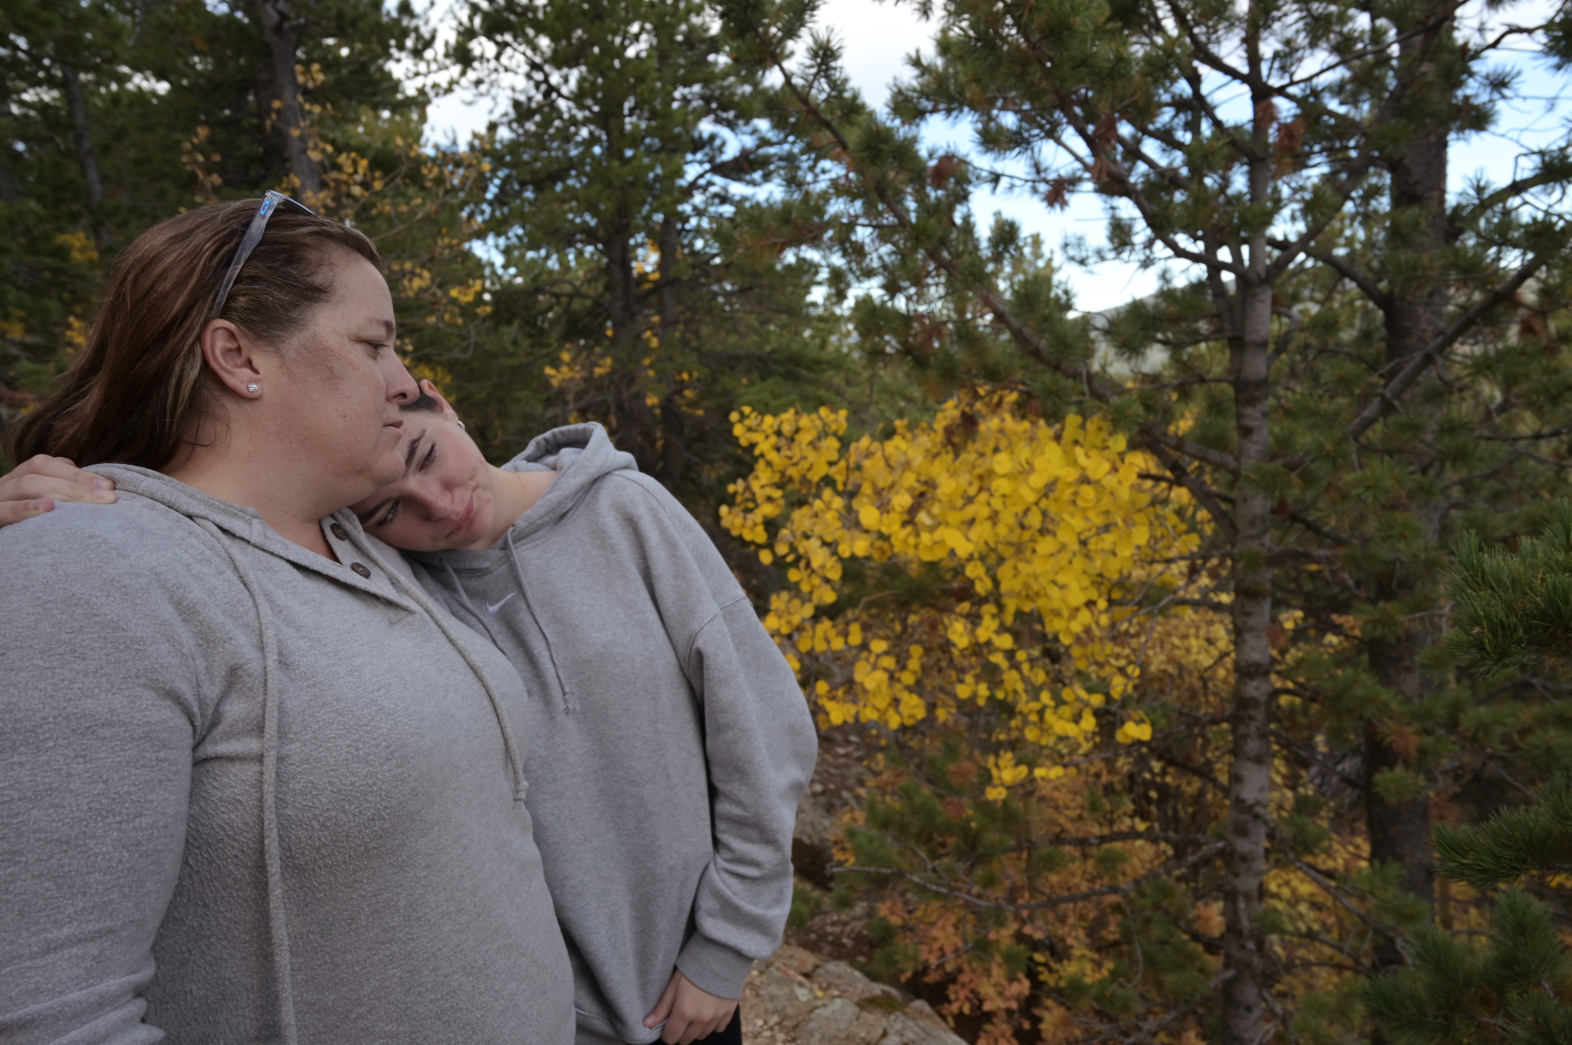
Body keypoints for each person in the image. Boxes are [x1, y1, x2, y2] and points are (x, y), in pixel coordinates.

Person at [6, 381, 821, 1045]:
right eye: (390, 508)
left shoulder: (629, 513)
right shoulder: (393, 582)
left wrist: (725, 948)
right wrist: (52, 498)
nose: (435, 503)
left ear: (443, 402)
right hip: (556, 1017)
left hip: (684, 995)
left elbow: (767, 734)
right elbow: (222, 512)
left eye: (428, 454)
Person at [0, 197, 575, 1044]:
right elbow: (53, 1013)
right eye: (372, 344)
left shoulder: (362, 534)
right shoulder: (92, 574)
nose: (404, 380)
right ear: (237, 355)